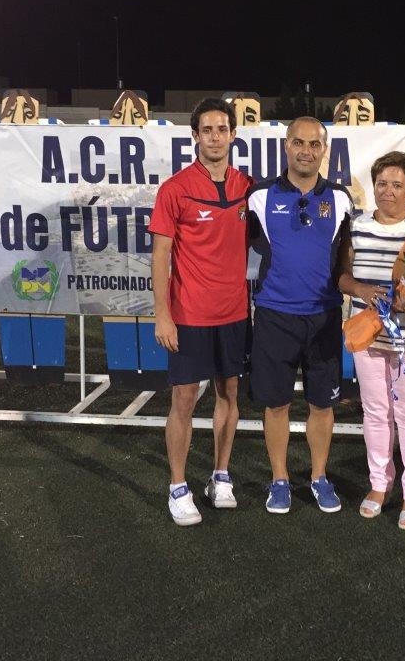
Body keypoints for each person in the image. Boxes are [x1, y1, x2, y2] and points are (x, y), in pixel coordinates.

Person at [149, 98, 253, 526]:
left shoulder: (249, 188)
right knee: (185, 399)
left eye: (222, 129)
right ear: (194, 136)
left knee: (230, 395)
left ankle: (220, 476)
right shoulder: (175, 189)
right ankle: (177, 486)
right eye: (207, 129)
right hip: (189, 314)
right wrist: (162, 314)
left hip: (234, 313)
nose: (215, 136)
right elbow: (160, 258)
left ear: (232, 134)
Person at [247, 116, 353, 514]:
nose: (306, 150)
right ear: (286, 146)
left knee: (322, 404)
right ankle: (279, 480)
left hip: (324, 317)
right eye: (298, 142)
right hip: (275, 316)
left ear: (324, 149)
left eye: (314, 143)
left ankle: (319, 477)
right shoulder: (258, 196)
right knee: (275, 404)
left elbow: (347, 255)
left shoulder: (341, 198)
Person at [337, 151, 405, 530]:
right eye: (381, 183)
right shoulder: (356, 226)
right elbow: (341, 277)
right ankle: (380, 484)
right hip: (367, 337)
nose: (387, 191)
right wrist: (361, 288)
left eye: (397, 185)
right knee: (375, 411)